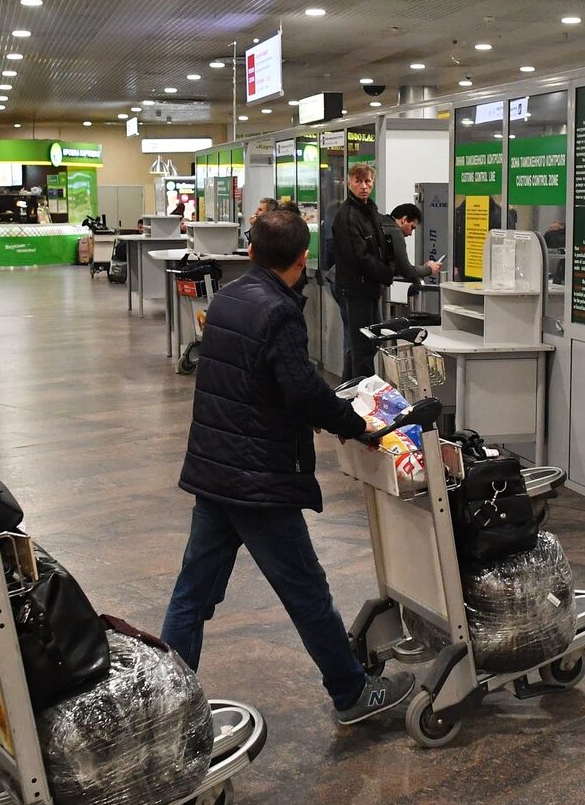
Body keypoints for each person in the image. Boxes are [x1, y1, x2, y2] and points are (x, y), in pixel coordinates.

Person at [160, 208, 416, 727]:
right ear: (303, 259)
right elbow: (301, 390)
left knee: (193, 595)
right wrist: (356, 425)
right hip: (258, 480)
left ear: (251, 251)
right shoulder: (279, 312)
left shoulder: (229, 298)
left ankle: (164, 708)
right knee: (307, 593)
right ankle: (350, 693)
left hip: (215, 471)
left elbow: (251, 382)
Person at [329, 163, 395, 378]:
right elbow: (358, 257)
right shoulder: (348, 215)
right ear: (349, 183)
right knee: (362, 348)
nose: (363, 186)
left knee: (368, 343)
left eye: (367, 181)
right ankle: (362, 398)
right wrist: (385, 274)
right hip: (355, 289)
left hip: (370, 288)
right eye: (358, 181)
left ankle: (346, 393)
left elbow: (379, 248)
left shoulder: (371, 212)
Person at [381, 203, 442, 287]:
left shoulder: (381, 224)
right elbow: (406, 270)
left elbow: (396, 267)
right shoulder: (395, 232)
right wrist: (429, 269)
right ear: (404, 219)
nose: (410, 233)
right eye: (412, 227)